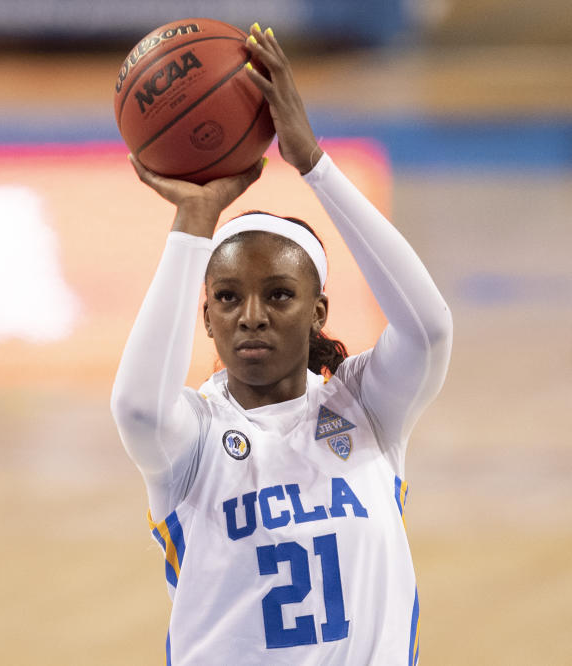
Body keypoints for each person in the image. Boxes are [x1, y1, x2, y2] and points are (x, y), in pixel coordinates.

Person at [110, 23, 452, 665]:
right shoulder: (195, 439)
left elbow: (428, 329)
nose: (252, 317)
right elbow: (135, 409)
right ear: (205, 318)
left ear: (319, 312)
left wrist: (314, 164)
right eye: (229, 298)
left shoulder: (367, 411)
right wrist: (192, 225)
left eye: (279, 295)